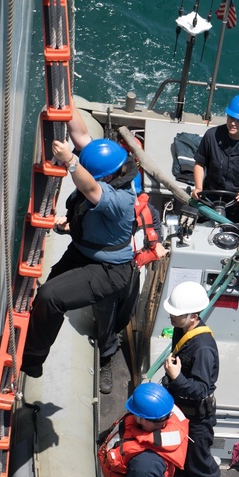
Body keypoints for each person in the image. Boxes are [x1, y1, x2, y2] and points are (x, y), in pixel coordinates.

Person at [59, 107, 167, 394]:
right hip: (108, 263)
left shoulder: (120, 197)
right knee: (105, 312)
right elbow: (81, 136)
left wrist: (156, 244)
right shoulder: (111, 189)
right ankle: (107, 354)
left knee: (126, 307)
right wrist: (65, 101)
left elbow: (148, 216)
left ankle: (115, 333)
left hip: (131, 262)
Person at [20, 134, 137, 380]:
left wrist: (71, 161)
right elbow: (82, 135)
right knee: (46, 294)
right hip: (83, 253)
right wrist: (69, 226)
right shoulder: (108, 174)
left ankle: (31, 361)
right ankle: (31, 335)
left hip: (109, 269)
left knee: (50, 296)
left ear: (108, 176)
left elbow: (90, 188)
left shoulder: (121, 198)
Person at [161, 281, 223, 477]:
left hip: (197, 415)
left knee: (198, 459)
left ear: (193, 316)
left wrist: (176, 378)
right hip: (179, 405)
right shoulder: (182, 329)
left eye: (176, 315)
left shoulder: (203, 348)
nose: (171, 318)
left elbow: (201, 389)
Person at [191, 93, 239, 226]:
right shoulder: (212, 136)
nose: (233, 123)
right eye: (231, 118)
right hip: (211, 196)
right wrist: (198, 188)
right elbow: (200, 163)